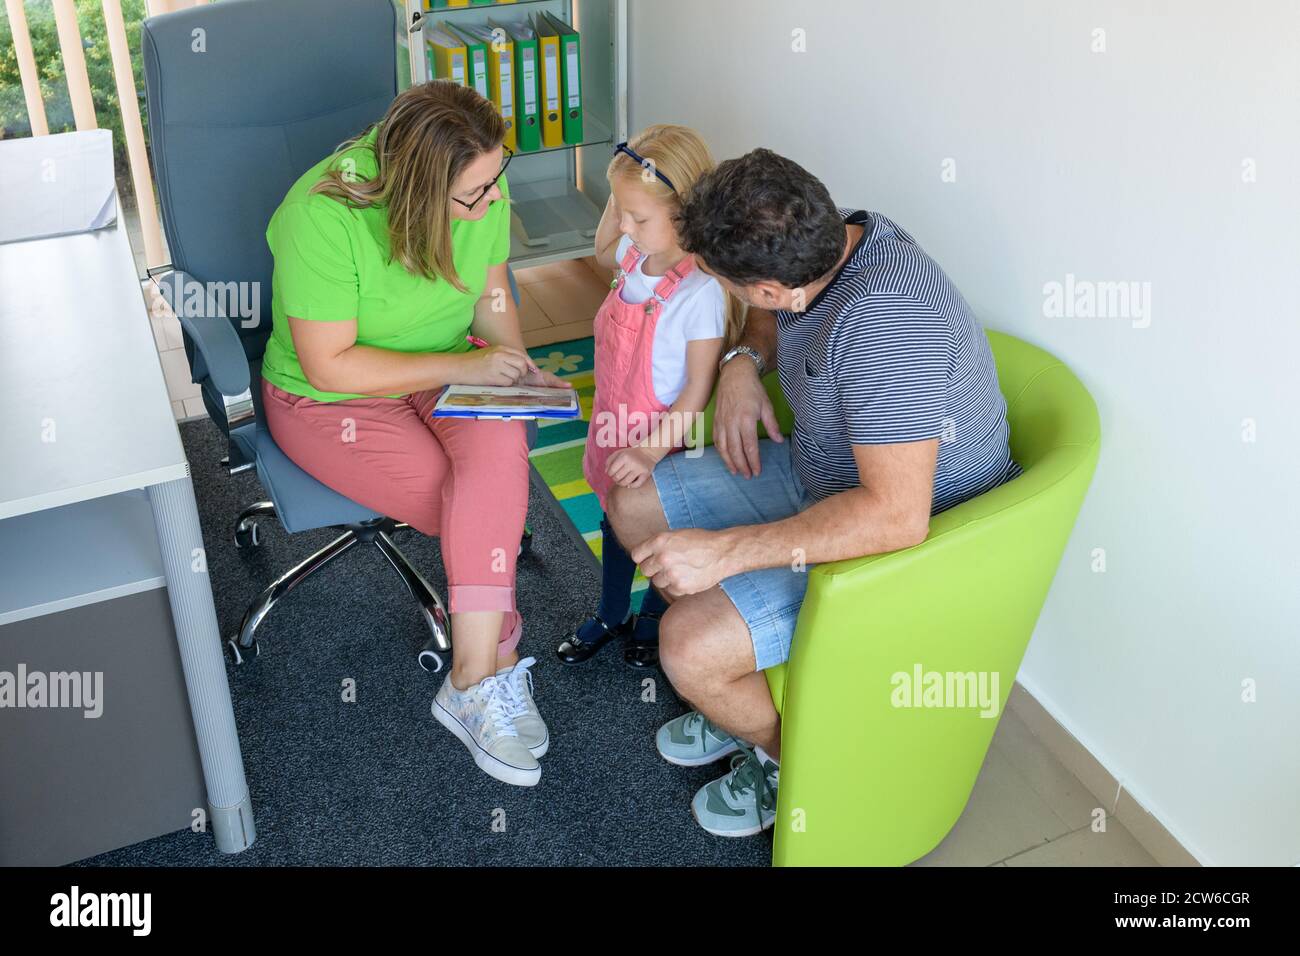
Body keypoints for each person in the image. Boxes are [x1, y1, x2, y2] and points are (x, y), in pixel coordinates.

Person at [606, 148, 1023, 835]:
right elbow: (777, 310)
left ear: (769, 288)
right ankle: (748, 689)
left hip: (902, 547)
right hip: (822, 476)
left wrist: (727, 554)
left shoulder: (887, 325)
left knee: (686, 645)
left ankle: (798, 764)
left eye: (732, 287)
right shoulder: (836, 236)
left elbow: (895, 518)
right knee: (633, 501)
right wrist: (744, 362)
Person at [260, 81, 573, 788]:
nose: (492, 203)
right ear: (413, 190)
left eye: (498, 181)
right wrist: (466, 363)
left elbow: (493, 298)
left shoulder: (479, 185)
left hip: (443, 370)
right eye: (473, 196)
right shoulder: (322, 217)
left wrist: (512, 372)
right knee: (477, 504)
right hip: (328, 398)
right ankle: (490, 662)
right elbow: (329, 363)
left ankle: (467, 680)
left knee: (497, 463)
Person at [555, 125, 743, 668]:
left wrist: (651, 451)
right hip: (614, 420)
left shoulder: (699, 291)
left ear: (683, 213)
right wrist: (619, 199)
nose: (627, 228)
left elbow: (697, 387)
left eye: (639, 217)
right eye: (622, 214)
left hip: (662, 439)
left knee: (661, 534)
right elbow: (600, 248)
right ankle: (612, 611)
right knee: (612, 516)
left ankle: (657, 618)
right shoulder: (634, 259)